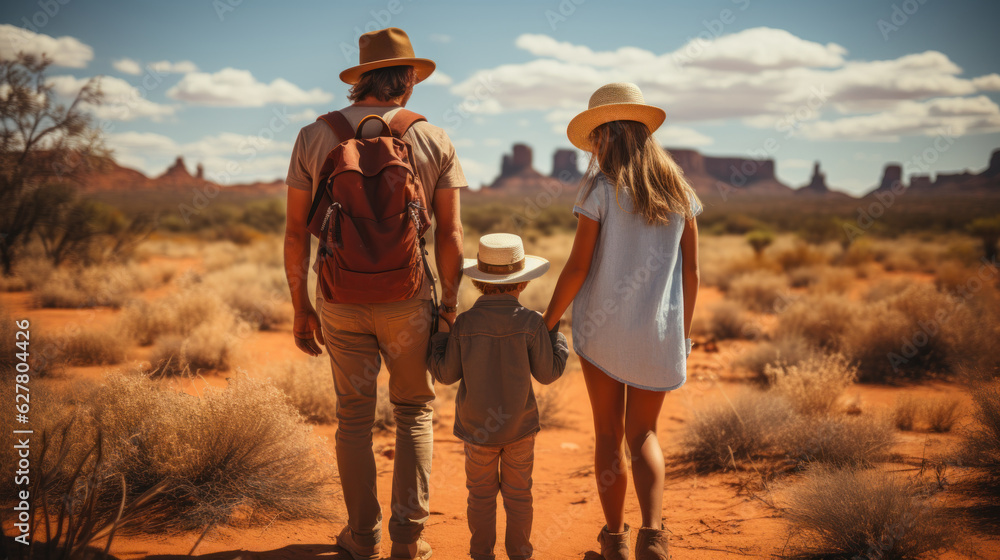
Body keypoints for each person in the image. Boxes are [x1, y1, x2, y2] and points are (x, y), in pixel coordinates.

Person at [283, 27, 466, 560]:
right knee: (413, 410)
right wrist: (449, 307)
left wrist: (301, 307)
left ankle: (362, 538)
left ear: (360, 79)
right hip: (409, 298)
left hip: (338, 298)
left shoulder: (314, 136)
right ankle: (408, 541)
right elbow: (451, 235)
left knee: (354, 417)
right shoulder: (434, 139)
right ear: (408, 82)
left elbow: (296, 233)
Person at [542, 82, 702, 560]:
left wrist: (547, 322)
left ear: (607, 135)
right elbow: (692, 273)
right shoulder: (680, 191)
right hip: (659, 333)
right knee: (645, 434)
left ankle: (614, 541)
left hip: (603, 329)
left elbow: (577, 267)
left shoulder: (601, 188)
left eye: (596, 137)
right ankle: (653, 536)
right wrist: (682, 333)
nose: (593, 146)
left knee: (608, 434)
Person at [428, 233, 569, 560]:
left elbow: (445, 374)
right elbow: (548, 374)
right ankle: (520, 554)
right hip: (520, 429)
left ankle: (482, 554)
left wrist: (440, 336)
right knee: (520, 496)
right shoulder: (532, 323)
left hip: (477, 431)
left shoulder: (464, 324)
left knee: (480, 497)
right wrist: (556, 337)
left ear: (480, 282)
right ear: (521, 283)